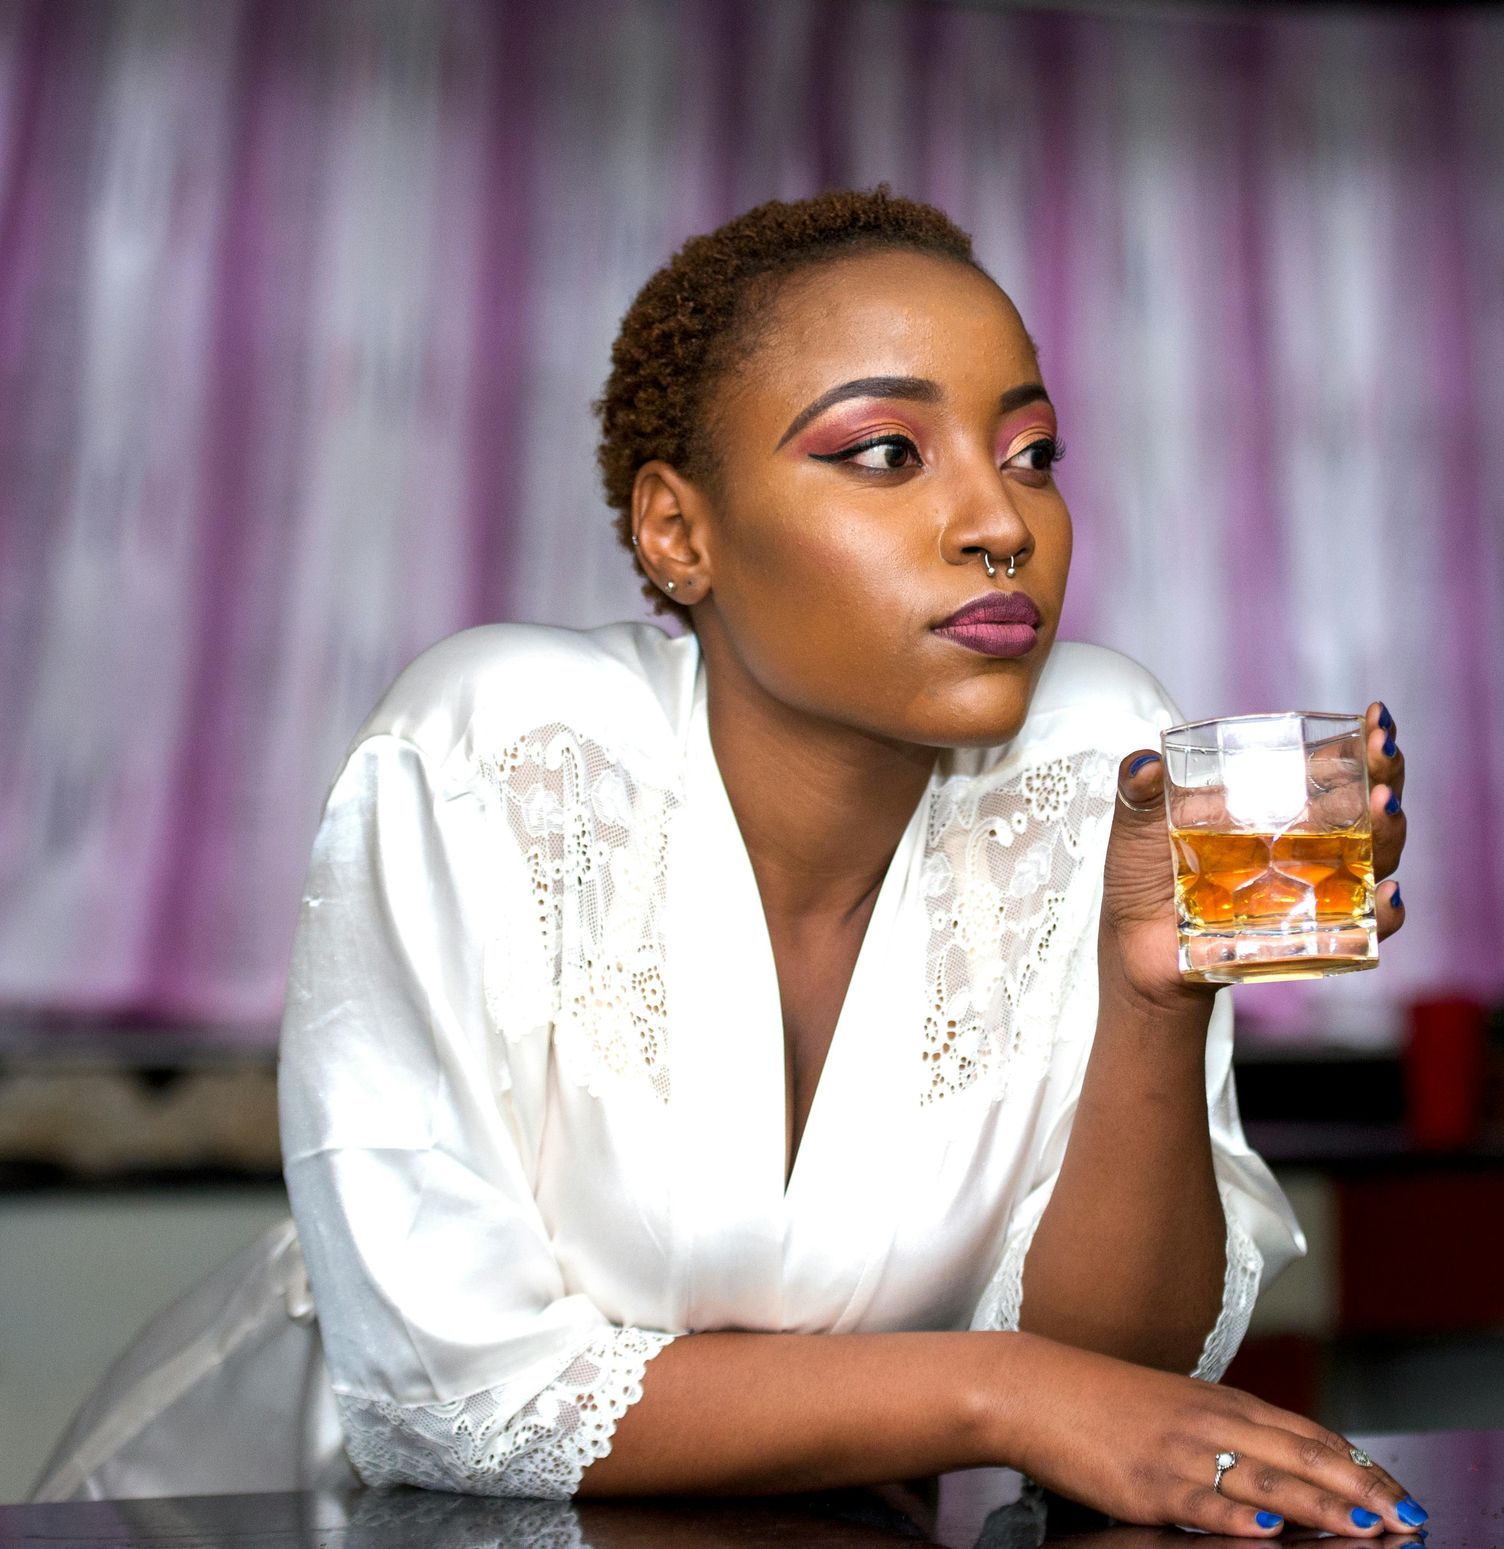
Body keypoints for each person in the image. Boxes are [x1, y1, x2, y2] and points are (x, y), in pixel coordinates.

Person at [34, 189, 1420, 1539]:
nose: (1002, 522)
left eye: (1032, 452)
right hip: (279, 1513)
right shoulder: (494, 750)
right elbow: (457, 1399)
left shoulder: (1100, 757)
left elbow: (1112, 1370)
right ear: (677, 531)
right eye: (887, 452)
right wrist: (1001, 1393)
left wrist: (1156, 1000)